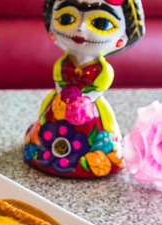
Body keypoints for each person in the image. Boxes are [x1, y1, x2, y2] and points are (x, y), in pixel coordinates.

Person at [24, 0, 145, 178]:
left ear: (121, 39)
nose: (80, 28)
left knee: (99, 136)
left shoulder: (103, 70)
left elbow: (98, 88)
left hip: (90, 109)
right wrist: (63, 95)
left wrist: (84, 100)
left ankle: (96, 159)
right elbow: (59, 79)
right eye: (66, 18)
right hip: (60, 103)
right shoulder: (62, 63)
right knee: (46, 127)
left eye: (100, 23)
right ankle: (43, 149)